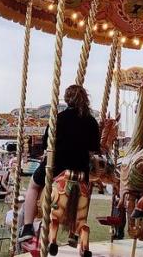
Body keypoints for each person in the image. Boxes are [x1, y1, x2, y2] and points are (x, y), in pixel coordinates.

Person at [19, 84, 101, 241]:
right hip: (80, 171)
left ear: (67, 99)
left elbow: (46, 145)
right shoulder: (91, 121)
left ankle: (28, 226)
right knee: (86, 191)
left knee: (33, 186)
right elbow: (93, 149)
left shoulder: (58, 119)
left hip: (56, 167)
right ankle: (76, 231)